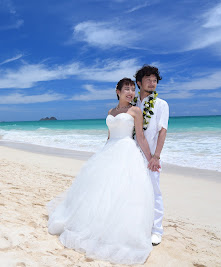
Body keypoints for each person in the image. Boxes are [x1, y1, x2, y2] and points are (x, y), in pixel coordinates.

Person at [47, 78, 155, 265]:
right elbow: (109, 136)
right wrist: (101, 155)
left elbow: (141, 138)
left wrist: (153, 158)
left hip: (126, 152)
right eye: (126, 89)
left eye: (132, 90)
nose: (130, 93)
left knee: (122, 193)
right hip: (110, 150)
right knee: (99, 193)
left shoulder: (135, 111)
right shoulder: (111, 112)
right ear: (118, 91)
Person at [134, 65, 169, 246]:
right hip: (132, 155)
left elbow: (162, 131)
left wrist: (156, 156)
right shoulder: (133, 104)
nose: (152, 83)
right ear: (139, 83)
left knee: (154, 191)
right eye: (148, 79)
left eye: (155, 80)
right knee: (135, 191)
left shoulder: (161, 104)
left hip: (151, 157)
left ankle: (156, 231)